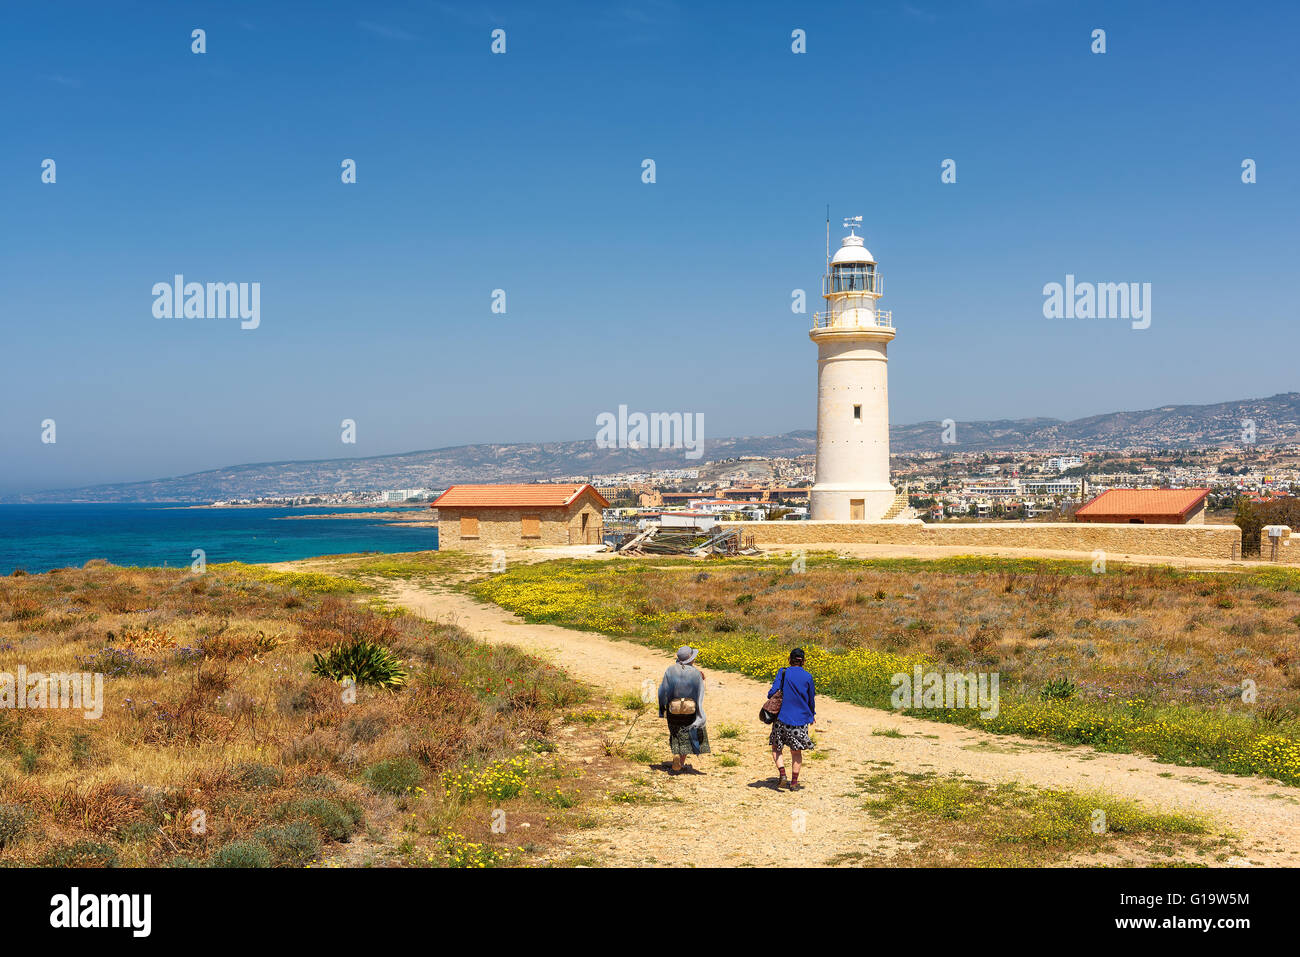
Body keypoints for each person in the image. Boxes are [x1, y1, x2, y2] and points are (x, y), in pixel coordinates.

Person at [768, 648, 816, 790]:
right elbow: (810, 699)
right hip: (800, 720)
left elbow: (772, 693)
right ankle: (794, 783)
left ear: (789, 659)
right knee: (796, 752)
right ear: (804, 662)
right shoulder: (808, 677)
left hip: (782, 718)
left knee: (777, 748)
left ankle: (782, 774)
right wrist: (812, 714)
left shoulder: (783, 673)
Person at [657, 645, 709, 773]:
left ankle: (676, 754)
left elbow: (662, 690)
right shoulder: (696, 673)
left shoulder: (670, 670)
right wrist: (699, 712)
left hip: (673, 709)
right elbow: (700, 694)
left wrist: (662, 709)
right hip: (689, 709)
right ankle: (680, 762)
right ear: (691, 659)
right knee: (687, 734)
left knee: (675, 734)